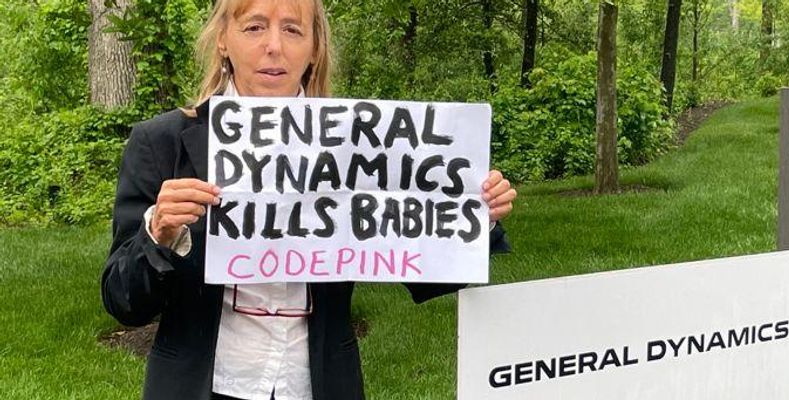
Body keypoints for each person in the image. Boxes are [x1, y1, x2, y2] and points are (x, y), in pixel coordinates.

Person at [100, 1, 516, 399]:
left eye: (293, 29)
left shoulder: (361, 145)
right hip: (204, 386)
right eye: (254, 26)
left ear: (315, 47)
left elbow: (426, 268)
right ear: (223, 39)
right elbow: (123, 301)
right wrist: (158, 234)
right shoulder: (161, 143)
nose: (274, 46)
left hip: (319, 385)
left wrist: (475, 215)